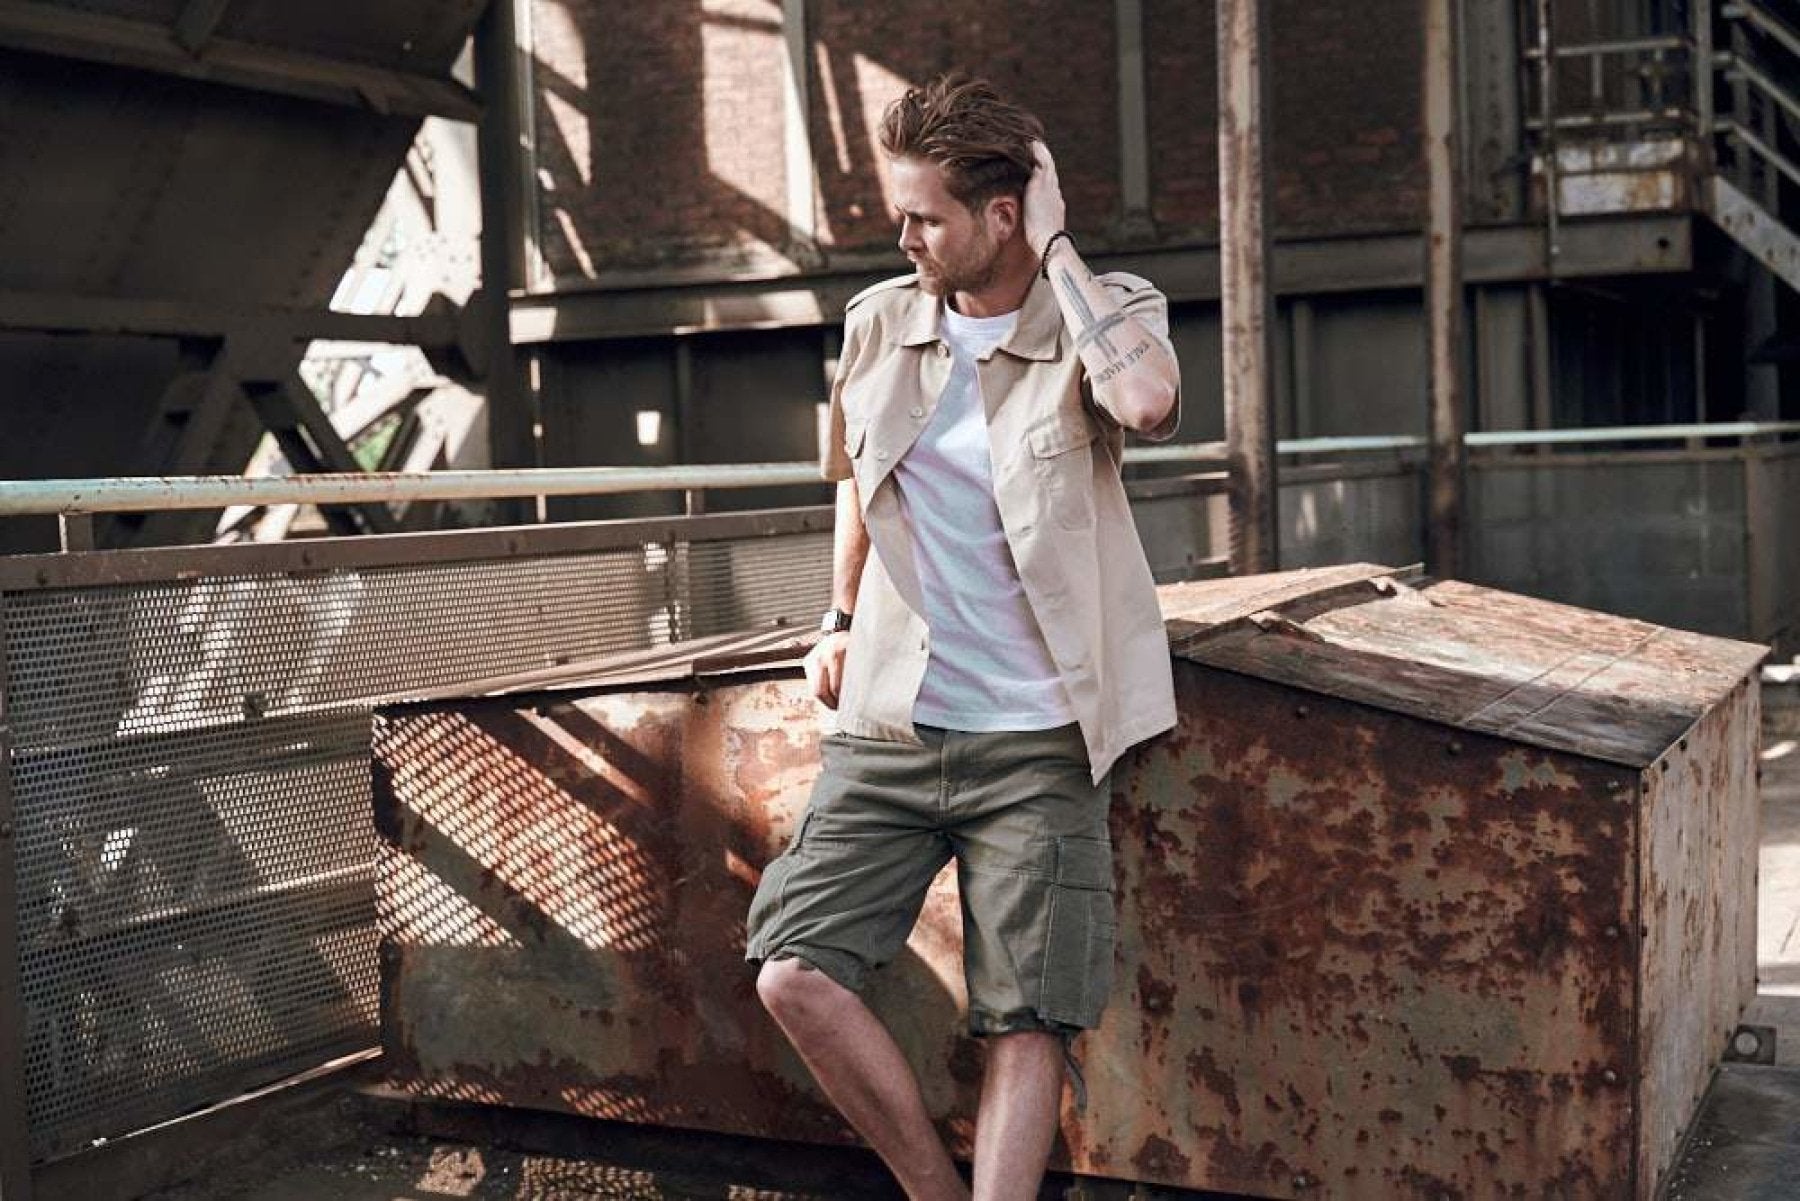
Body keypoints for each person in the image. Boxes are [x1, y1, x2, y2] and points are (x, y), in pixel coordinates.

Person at [744, 73, 1180, 1201]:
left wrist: (1059, 246)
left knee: (1026, 1020)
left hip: (1040, 737)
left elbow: (1145, 405)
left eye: (926, 217)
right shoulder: (879, 322)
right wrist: (840, 617)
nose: (905, 238)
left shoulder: (1105, 309)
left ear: (1002, 214)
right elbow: (855, 477)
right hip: (893, 721)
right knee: (794, 971)